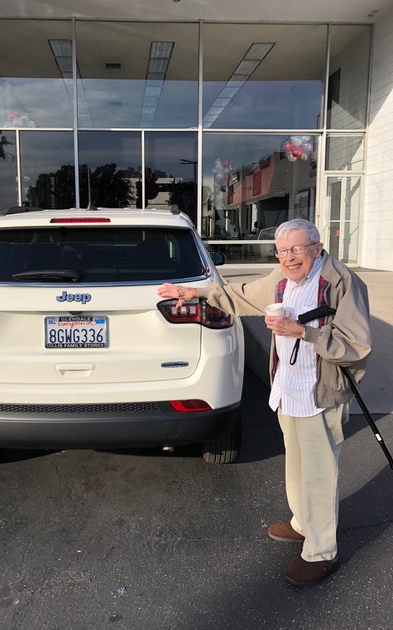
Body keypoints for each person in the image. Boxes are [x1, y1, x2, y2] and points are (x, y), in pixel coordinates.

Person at [157, 218, 371, 587]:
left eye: (297, 249)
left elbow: (357, 345)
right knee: (298, 465)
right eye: (283, 250)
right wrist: (197, 294)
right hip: (289, 389)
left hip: (320, 394)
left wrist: (303, 332)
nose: (289, 258)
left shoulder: (341, 281)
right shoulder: (282, 278)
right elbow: (243, 294)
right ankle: (304, 523)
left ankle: (322, 552)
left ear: (317, 248)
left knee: (319, 474)